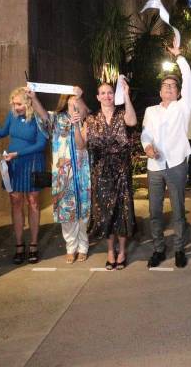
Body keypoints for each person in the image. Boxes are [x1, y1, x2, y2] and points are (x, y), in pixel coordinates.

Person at [141, 45, 191, 268]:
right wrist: (147, 147)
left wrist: (179, 57)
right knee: (154, 211)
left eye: (173, 86)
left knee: (178, 210)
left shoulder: (182, 107)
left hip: (176, 165)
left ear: (179, 92)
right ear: (160, 91)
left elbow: (190, 82)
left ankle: (180, 248)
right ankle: (158, 249)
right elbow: (145, 132)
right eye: (165, 86)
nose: (169, 88)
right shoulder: (151, 111)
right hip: (154, 166)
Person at [29, 86, 91, 263]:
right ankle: (71, 247)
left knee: (83, 211)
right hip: (63, 173)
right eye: (72, 101)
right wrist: (33, 97)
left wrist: (77, 121)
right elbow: (43, 116)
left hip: (82, 171)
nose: (75, 105)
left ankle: (83, 246)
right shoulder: (56, 119)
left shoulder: (85, 120)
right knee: (66, 211)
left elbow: (81, 146)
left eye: (77, 101)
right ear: (65, 101)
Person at [0, 87, 47, 264]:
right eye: (13, 103)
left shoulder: (38, 118)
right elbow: (4, 131)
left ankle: (34, 244)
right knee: (15, 202)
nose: (16, 106)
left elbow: (41, 145)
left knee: (33, 203)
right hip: (13, 165)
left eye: (19, 103)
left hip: (33, 164)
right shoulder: (12, 115)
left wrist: (17, 154)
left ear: (28, 102)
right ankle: (19, 244)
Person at [85, 80, 137, 270]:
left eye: (110, 93)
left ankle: (122, 251)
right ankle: (110, 251)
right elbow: (82, 144)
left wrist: (127, 96)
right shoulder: (91, 119)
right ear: (98, 97)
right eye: (103, 93)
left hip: (121, 169)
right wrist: (75, 125)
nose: (107, 96)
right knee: (106, 212)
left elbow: (132, 121)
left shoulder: (122, 114)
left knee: (122, 211)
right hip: (101, 171)